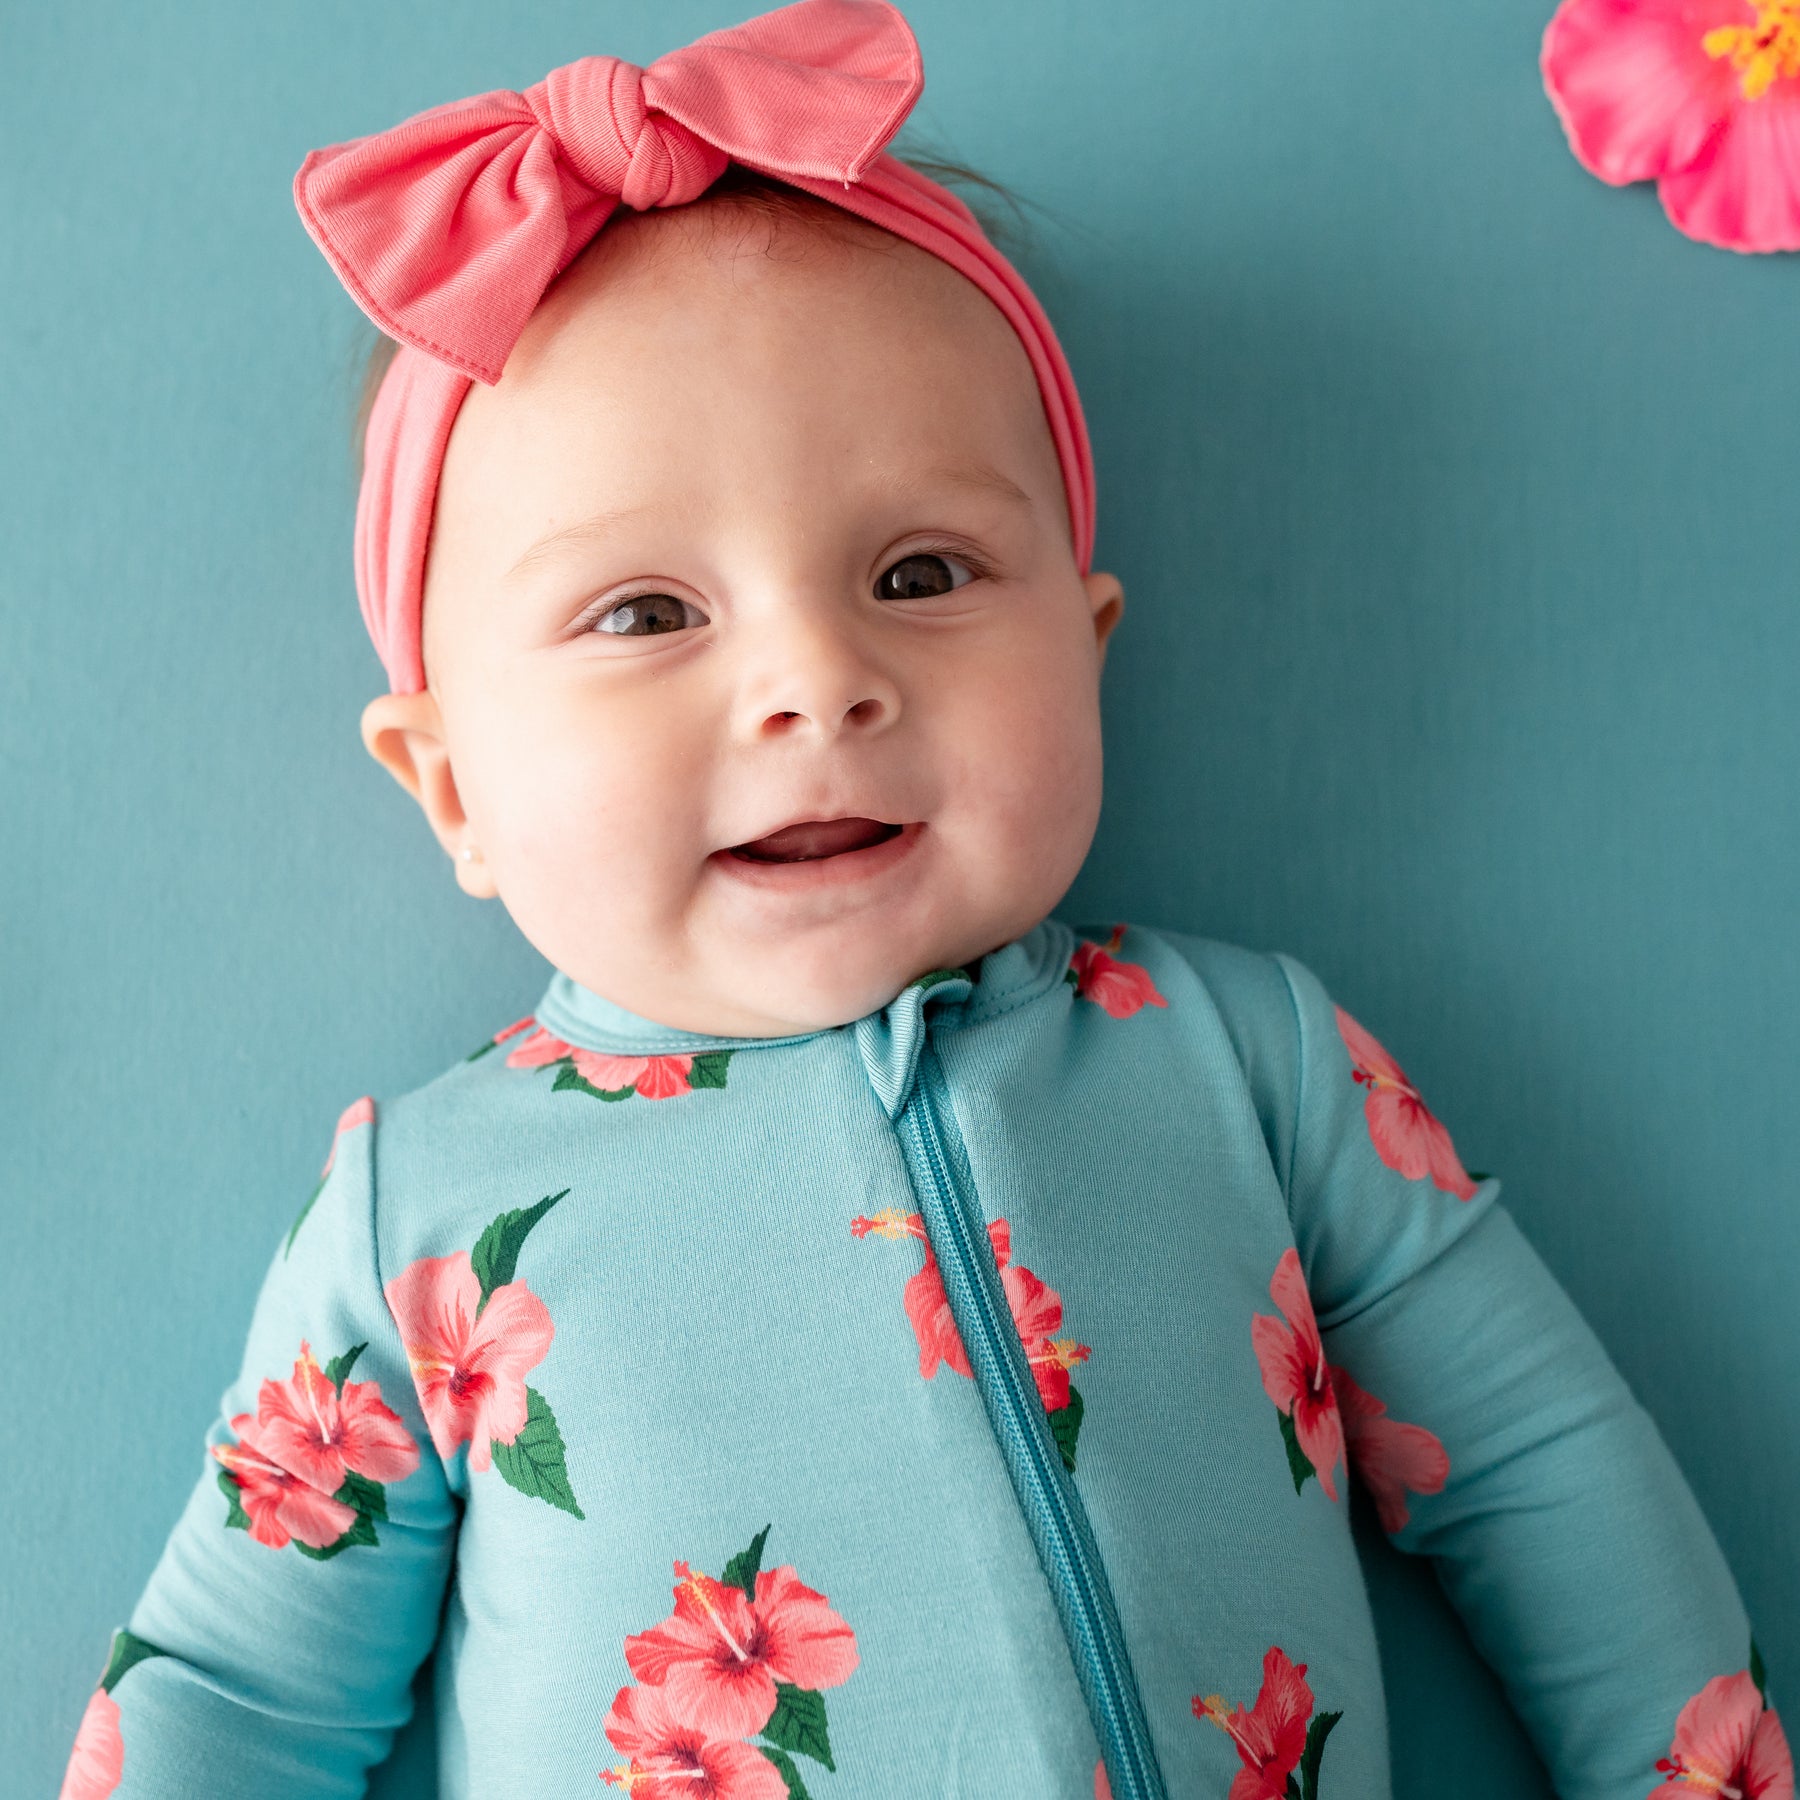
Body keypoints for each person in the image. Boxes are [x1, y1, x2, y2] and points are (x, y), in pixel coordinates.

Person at [58, 4, 1789, 1798]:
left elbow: (1542, 1472)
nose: (818, 680)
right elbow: (233, 1700)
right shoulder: (420, 1218)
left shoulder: (1251, 1064)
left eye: (921, 571)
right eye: (647, 614)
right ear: (453, 788)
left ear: (1089, 646)